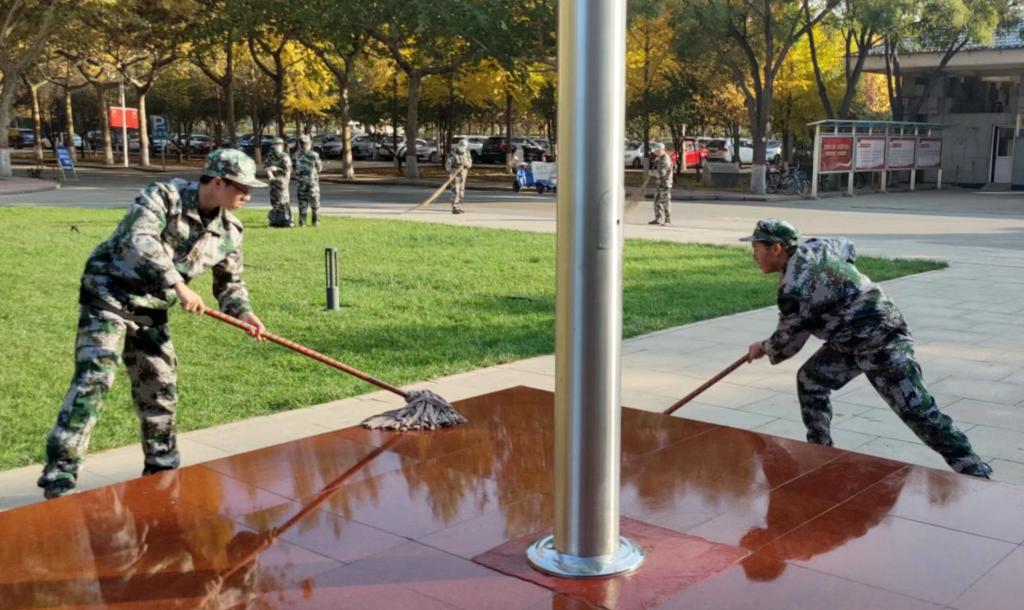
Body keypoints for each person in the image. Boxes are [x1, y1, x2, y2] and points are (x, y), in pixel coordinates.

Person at [37, 149, 269, 499]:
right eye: (243, 188)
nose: (248, 196)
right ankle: (60, 479)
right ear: (218, 183)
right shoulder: (164, 196)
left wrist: (244, 313)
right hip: (110, 295)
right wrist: (178, 284)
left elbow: (230, 284)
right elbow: (140, 239)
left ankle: (162, 473)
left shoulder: (231, 231)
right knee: (94, 379)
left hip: (152, 308)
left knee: (160, 388)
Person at [742, 218, 992, 478]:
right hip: (848, 342)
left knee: (918, 412)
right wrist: (845, 286)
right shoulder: (819, 246)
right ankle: (819, 452)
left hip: (881, 340)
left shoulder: (792, 290)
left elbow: (787, 343)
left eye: (756, 249)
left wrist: (763, 347)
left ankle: (974, 470)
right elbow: (847, 247)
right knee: (811, 379)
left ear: (777, 248)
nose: (753, 256)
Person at [293, 134, 323, 226]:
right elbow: (319, 168)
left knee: (302, 203)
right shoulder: (314, 155)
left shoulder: (296, 155)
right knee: (315, 202)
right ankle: (315, 221)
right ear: (309, 143)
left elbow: (294, 168)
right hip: (312, 182)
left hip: (301, 183)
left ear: (300, 144)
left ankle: (302, 222)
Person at [263, 136, 293, 228]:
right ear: (273, 145)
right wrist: (269, 173)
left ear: (282, 145)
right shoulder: (270, 156)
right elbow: (266, 166)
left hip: (282, 182)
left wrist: (277, 168)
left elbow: (287, 170)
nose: (278, 146)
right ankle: (276, 221)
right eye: (276, 144)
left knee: (284, 201)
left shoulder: (285, 156)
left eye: (280, 144)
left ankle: (288, 220)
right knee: (274, 201)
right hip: (273, 182)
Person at [648, 142, 673, 226]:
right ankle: (658, 218)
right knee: (656, 201)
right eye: (655, 151)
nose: (656, 152)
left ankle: (668, 220)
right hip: (660, 184)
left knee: (665, 202)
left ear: (662, 150)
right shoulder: (660, 158)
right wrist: (657, 161)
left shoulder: (666, 160)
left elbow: (661, 173)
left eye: (657, 151)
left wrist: (653, 173)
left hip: (665, 184)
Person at [445, 139, 472, 214]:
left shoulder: (467, 152)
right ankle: (454, 207)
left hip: (463, 173)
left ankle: (458, 206)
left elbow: (470, 162)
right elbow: (448, 165)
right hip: (455, 173)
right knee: (455, 191)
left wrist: (468, 164)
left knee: (461, 191)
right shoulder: (453, 154)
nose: (462, 150)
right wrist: (450, 174)